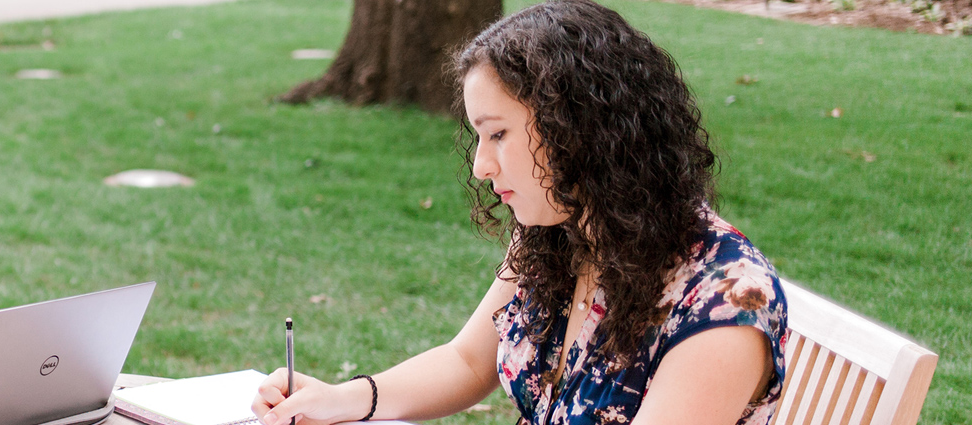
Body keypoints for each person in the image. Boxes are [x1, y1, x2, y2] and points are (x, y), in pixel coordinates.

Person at [252, 1, 788, 424]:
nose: (482, 165)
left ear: (579, 127)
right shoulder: (562, 231)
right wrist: (341, 399)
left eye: (499, 133)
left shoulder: (723, 302)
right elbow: (468, 362)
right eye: (479, 136)